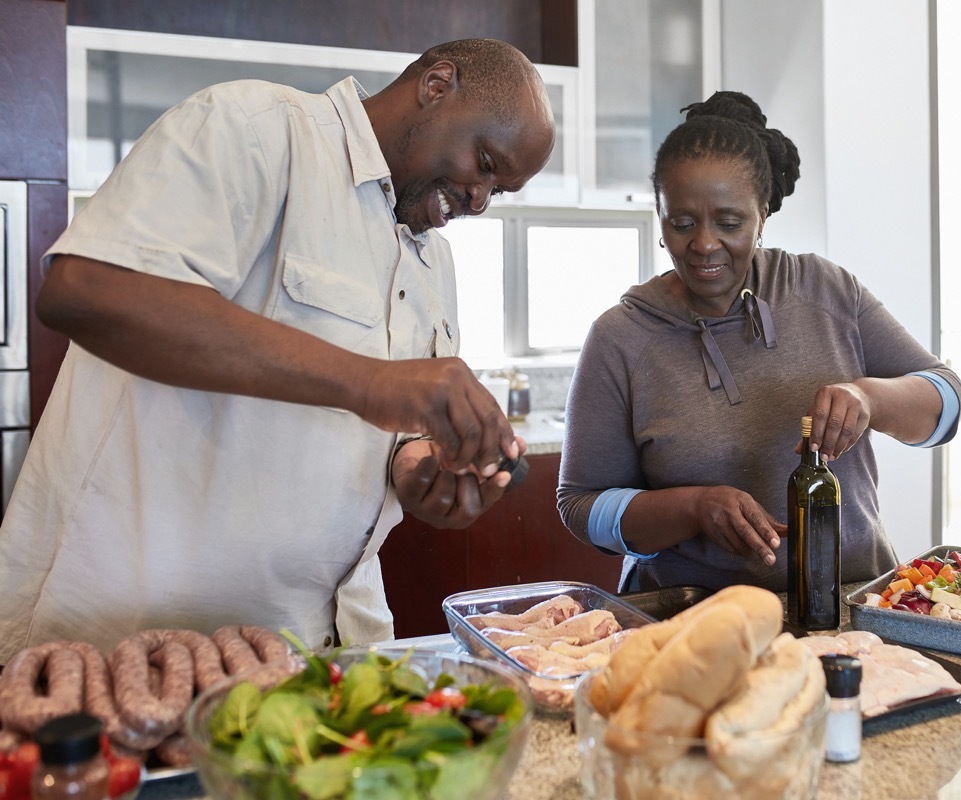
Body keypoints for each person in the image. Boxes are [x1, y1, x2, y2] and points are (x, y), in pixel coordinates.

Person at [0, 38, 556, 664]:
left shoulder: (435, 262)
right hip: (125, 644)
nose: (480, 200)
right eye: (485, 162)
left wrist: (418, 471)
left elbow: (384, 434)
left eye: (500, 191)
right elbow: (87, 291)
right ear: (436, 85)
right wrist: (369, 381)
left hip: (319, 649)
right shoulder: (254, 131)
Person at [557, 91, 961, 594]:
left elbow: (946, 405)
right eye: (681, 224)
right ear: (659, 218)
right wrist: (692, 508)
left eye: (730, 223)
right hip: (692, 620)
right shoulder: (621, 337)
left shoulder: (826, 291)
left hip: (853, 603)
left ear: (763, 214)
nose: (705, 244)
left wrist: (870, 398)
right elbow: (579, 506)